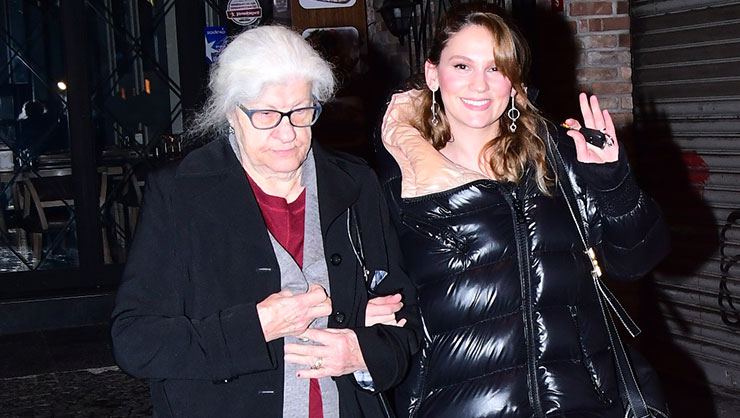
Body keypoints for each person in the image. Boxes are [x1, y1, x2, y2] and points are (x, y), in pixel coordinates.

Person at [375, 3, 671, 417]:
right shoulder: (399, 187)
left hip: (581, 404)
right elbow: (382, 305)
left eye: (496, 68)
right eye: (462, 66)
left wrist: (614, 183)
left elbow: (636, 260)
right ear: (432, 74)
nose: (479, 84)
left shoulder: (558, 160)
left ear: (514, 81)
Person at [111, 25, 420, 418]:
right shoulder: (181, 194)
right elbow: (135, 342)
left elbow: (405, 320)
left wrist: (362, 352)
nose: (287, 133)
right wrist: (258, 327)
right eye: (267, 115)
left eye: (302, 112)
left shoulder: (355, 184)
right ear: (231, 113)